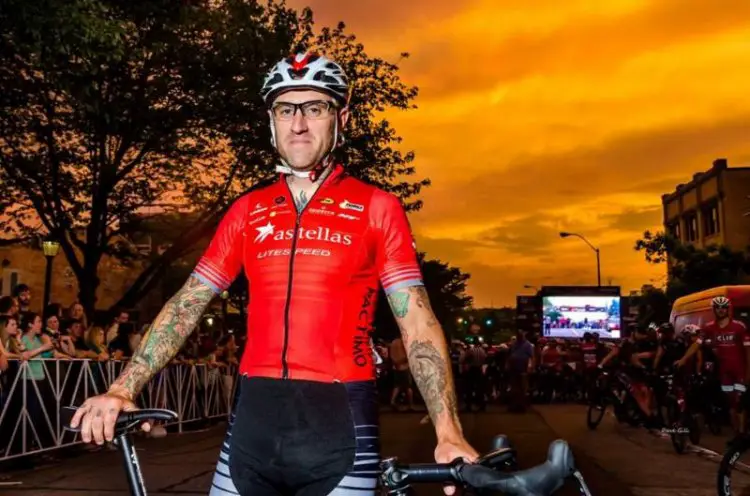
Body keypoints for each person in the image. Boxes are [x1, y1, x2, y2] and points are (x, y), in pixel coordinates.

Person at [71, 52, 476, 496]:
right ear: (272, 120)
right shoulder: (247, 210)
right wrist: (123, 388)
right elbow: (188, 304)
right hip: (252, 427)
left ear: (340, 117)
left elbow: (416, 321)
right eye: (286, 109)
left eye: (314, 108)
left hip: (340, 426)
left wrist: (448, 431)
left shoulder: (378, 207)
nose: (298, 123)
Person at [678, 296, 750, 436]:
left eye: (724, 307)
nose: (721, 310)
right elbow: (696, 344)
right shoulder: (709, 328)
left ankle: (742, 433)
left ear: (728, 309)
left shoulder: (739, 327)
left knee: (741, 402)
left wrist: (748, 372)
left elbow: (748, 350)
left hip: (740, 370)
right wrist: (683, 359)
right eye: (718, 307)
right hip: (724, 372)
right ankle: (738, 434)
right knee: (731, 404)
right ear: (714, 309)